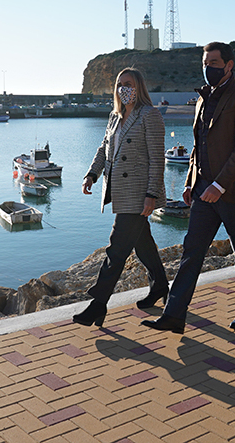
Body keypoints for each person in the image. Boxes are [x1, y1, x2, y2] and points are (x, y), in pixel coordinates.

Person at [142, 42, 235, 334]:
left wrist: (220, 185)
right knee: (191, 252)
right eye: (205, 62)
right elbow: (198, 145)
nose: (209, 68)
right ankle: (174, 314)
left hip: (234, 191)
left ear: (229, 65)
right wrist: (189, 182)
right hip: (202, 190)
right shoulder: (201, 99)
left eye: (214, 62)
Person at [74, 68, 168, 327]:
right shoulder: (115, 116)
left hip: (139, 193)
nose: (123, 89)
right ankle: (160, 284)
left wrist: (151, 194)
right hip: (120, 190)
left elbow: (157, 160)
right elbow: (104, 148)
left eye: (128, 84)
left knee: (117, 249)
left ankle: (97, 304)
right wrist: (91, 174)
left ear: (139, 87)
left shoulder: (150, 115)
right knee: (142, 243)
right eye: (119, 85)